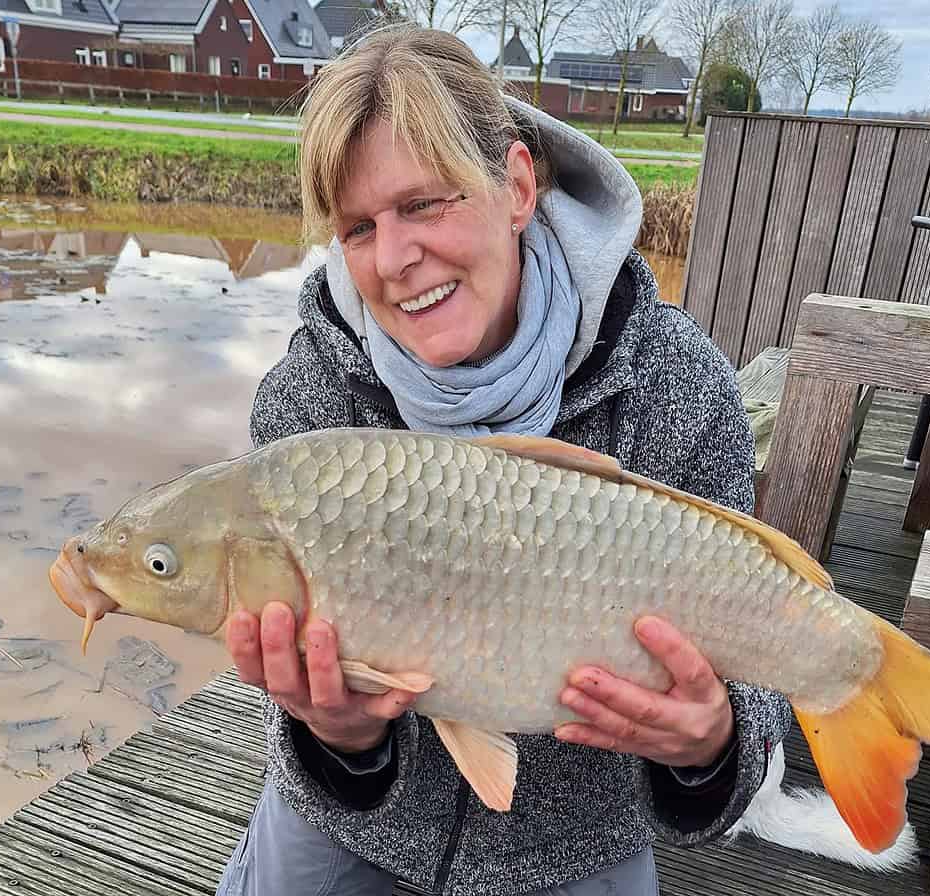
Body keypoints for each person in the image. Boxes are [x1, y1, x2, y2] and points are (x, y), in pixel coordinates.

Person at [215, 23, 791, 896]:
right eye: (359, 227)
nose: (397, 260)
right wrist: (338, 738)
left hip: (576, 847)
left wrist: (711, 745)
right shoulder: (310, 405)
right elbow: (290, 684)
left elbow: (759, 674)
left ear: (518, 186)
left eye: (425, 204)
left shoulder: (677, 383)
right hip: (353, 824)